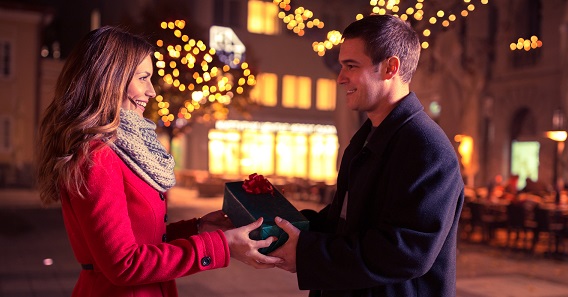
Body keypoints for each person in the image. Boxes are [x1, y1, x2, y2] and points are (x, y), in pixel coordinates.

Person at [36, 26, 281, 297]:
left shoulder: (119, 148)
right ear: (110, 80)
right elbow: (123, 264)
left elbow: (142, 238)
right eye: (143, 78)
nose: (152, 91)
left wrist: (198, 228)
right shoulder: (97, 155)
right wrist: (221, 245)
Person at [270, 14, 465, 296]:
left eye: (351, 66)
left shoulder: (426, 148)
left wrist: (306, 253)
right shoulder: (368, 137)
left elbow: (405, 251)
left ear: (390, 68)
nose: (340, 78)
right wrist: (278, 223)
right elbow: (344, 221)